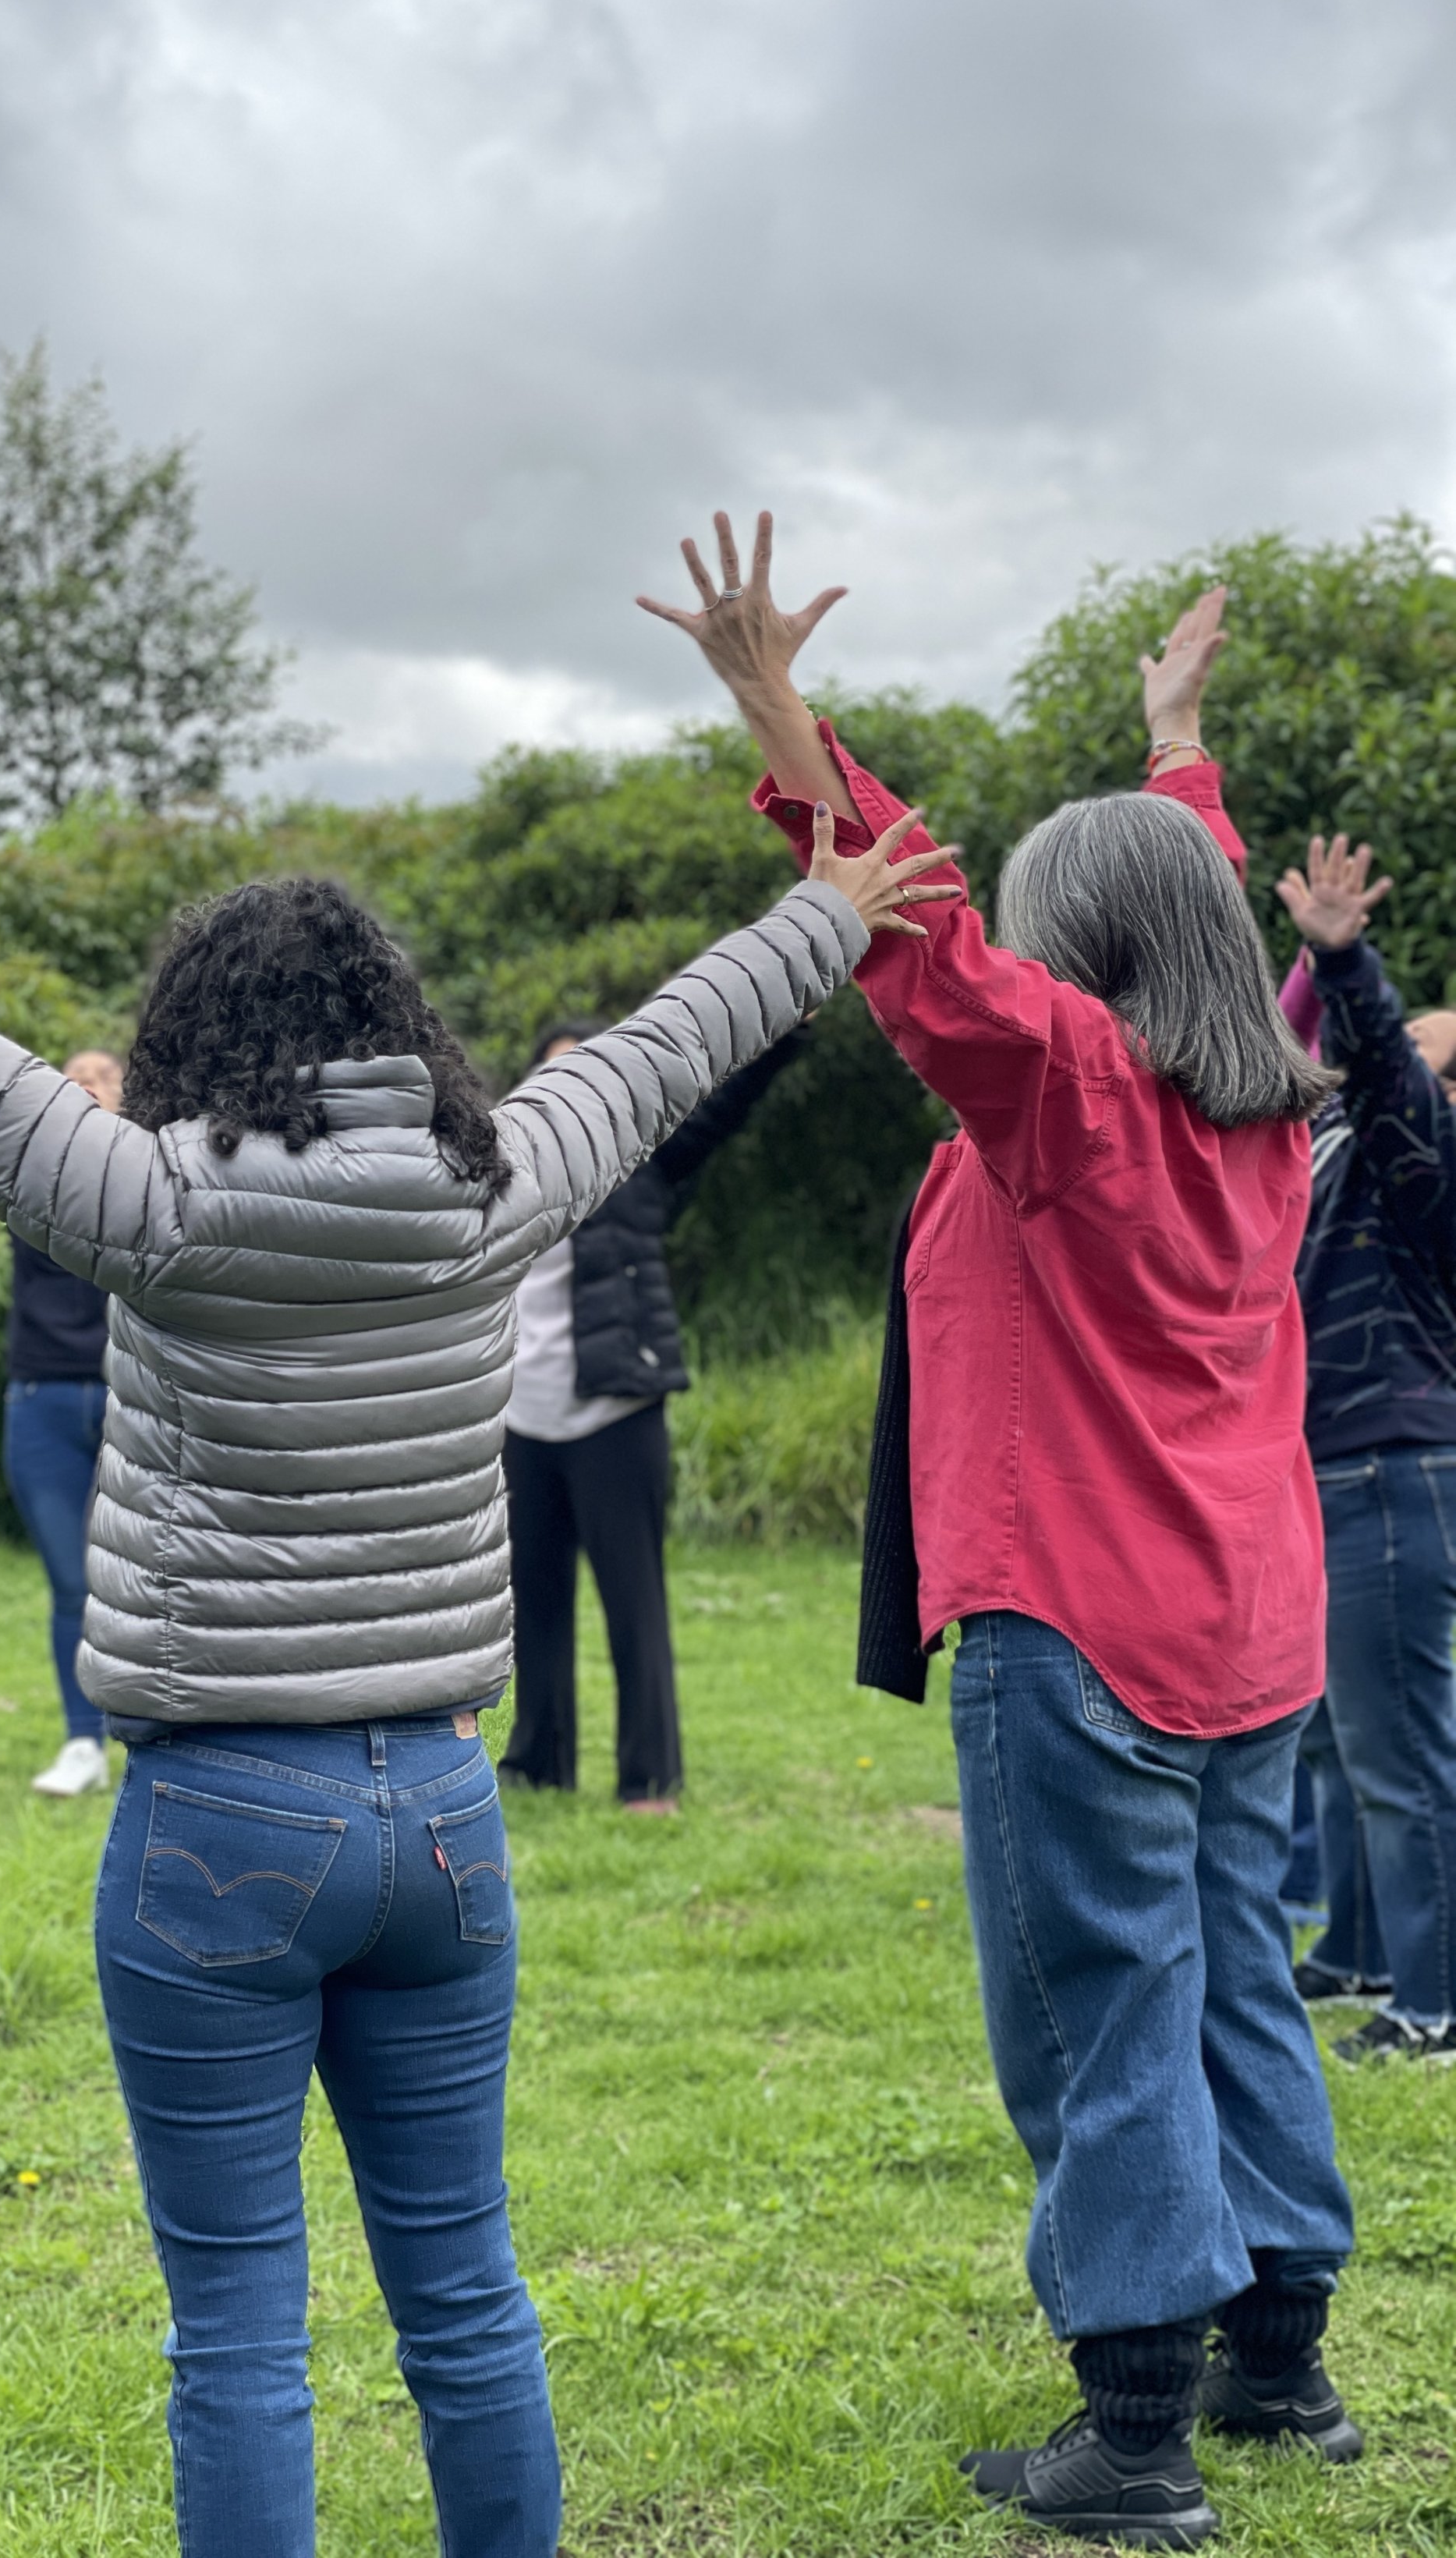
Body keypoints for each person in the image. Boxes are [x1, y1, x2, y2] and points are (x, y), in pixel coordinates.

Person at [0, 683, 943, 2558]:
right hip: (444, 1814)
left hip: (218, 1822)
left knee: (244, 2336)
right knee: (468, 2293)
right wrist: (828, 911)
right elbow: (676, 1040)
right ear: (401, 1032)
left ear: (194, 1033)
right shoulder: (499, 1183)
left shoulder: (148, 1196)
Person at [643, 519, 1359, 2547]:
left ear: (1080, 960)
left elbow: (922, 935)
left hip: (1083, 1624)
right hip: (1248, 1625)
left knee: (1097, 2003)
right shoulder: (1258, 1114)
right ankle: (1277, 2359)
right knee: (1233, 1975)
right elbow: (1174, 898)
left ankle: (1131, 2425)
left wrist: (779, 718)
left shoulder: (1067, 1094)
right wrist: (1175, 744)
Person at [501, 1018, 805, 1809]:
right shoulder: (499, 1172)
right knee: (531, 1605)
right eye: (552, 1074)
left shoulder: (637, 1161)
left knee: (634, 1604)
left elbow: (721, 1106)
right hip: (520, 1420)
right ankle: (537, 1764)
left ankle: (649, 1778)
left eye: (584, 1073)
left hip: (615, 1413)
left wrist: (782, 1033)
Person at [1276, 832, 1456, 2063]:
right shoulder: (1334, 1138)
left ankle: (1435, 2003)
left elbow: (1384, 1068)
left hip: (1389, 1466)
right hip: (1329, 1464)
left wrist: (1347, 967)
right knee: (1339, 1739)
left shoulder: (1418, 1158)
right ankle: (1359, 1947)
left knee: (1399, 1750)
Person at [5, 1046, 126, 1798]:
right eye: (73, 1077)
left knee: (143, 1583)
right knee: (70, 1582)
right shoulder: (23, 1173)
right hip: (41, 1396)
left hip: (130, 1397)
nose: (87, 1085)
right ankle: (83, 1739)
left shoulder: (153, 1178)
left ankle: (152, 1731)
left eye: (103, 1077)